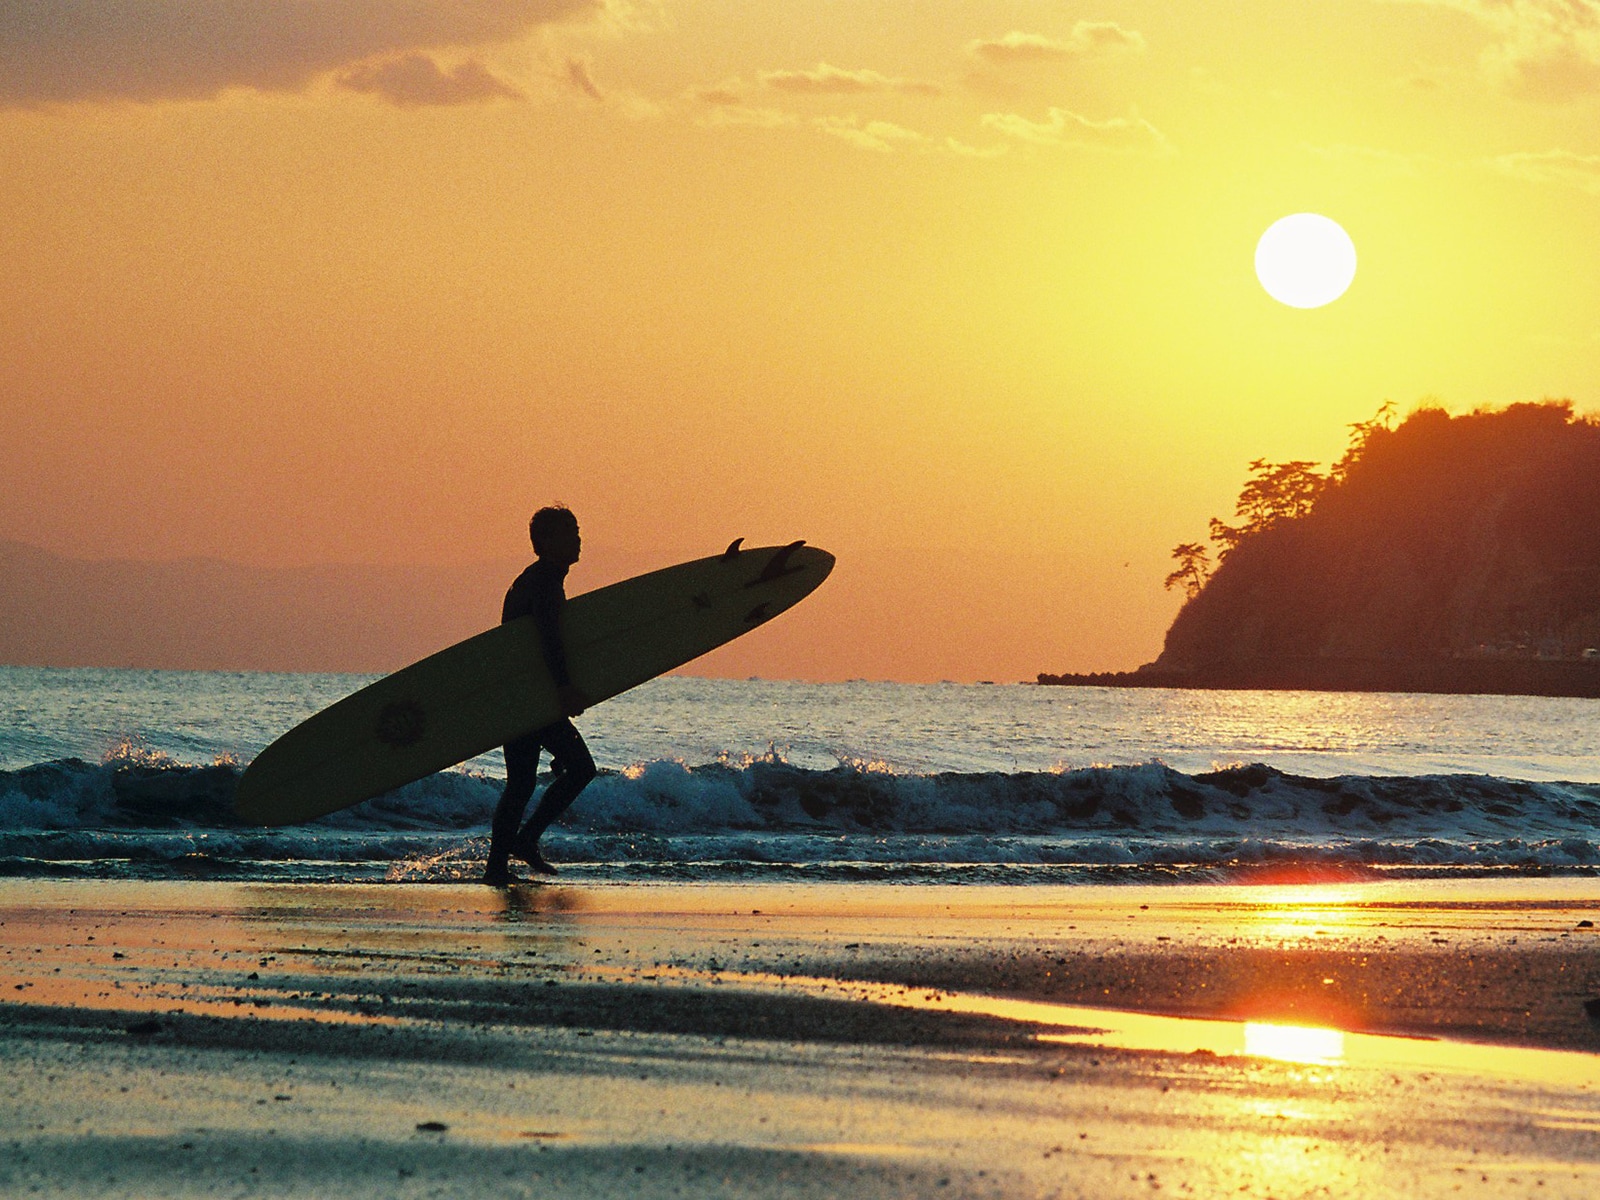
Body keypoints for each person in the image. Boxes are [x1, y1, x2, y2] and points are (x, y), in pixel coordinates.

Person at [484, 505, 596, 885]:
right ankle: (525, 841)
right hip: (531, 697)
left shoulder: (534, 578)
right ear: (547, 541)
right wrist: (563, 688)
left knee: (521, 783)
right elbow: (548, 637)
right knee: (581, 768)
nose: (579, 538)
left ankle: (497, 868)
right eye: (571, 531)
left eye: (578, 530)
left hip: (517, 695)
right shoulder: (545, 580)